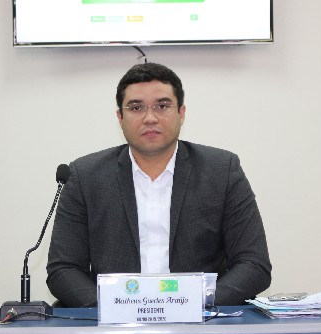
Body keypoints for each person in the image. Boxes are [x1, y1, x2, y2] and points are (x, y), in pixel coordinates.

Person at [46, 62, 272, 307]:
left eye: (162, 106)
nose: (150, 118)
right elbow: (63, 269)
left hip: (202, 319)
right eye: (136, 108)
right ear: (120, 117)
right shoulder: (85, 176)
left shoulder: (221, 170)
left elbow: (254, 264)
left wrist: (196, 304)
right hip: (112, 322)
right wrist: (114, 307)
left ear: (181, 113)